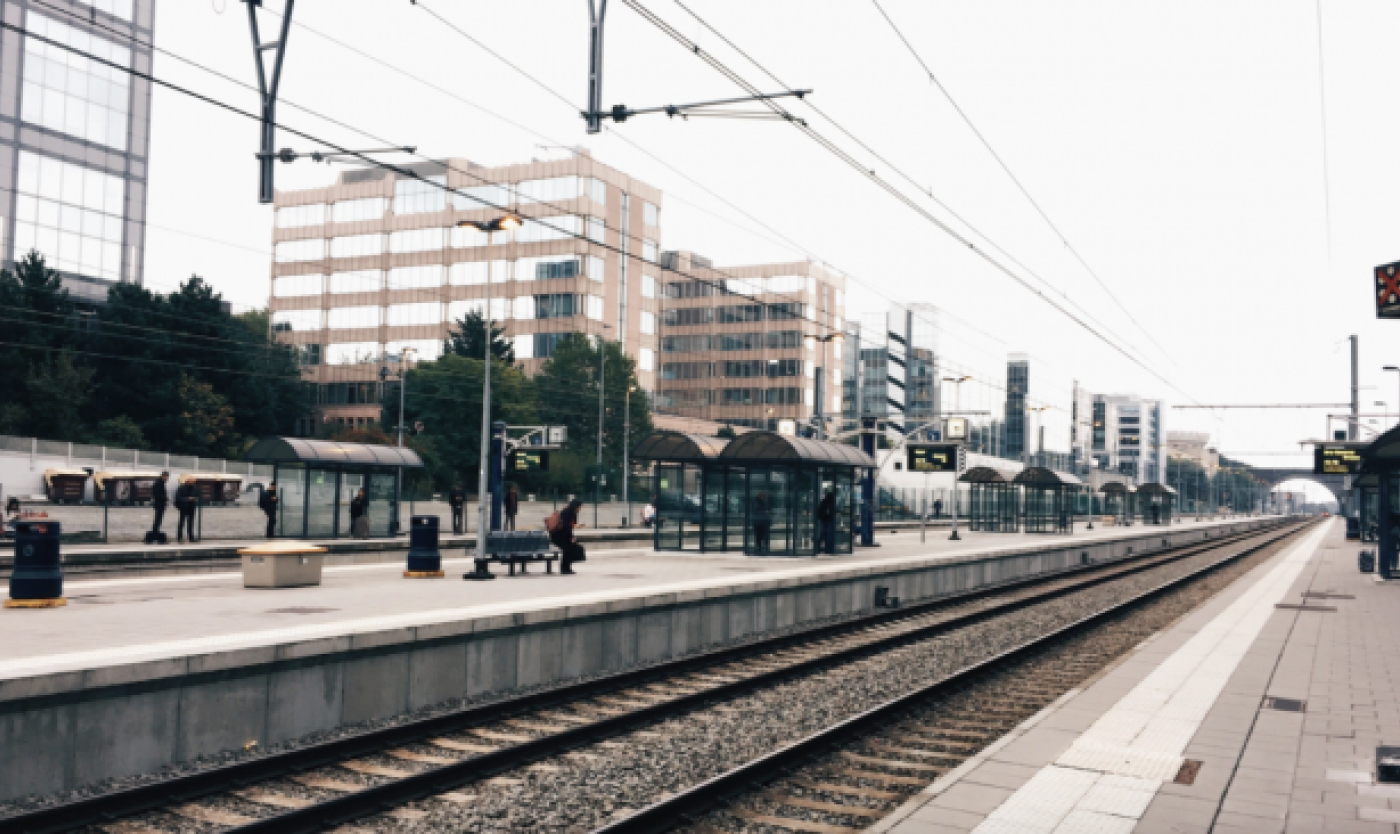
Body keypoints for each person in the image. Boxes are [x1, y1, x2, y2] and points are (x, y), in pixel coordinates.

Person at [549, 497, 586, 575]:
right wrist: (575, 526)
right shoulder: (566, 512)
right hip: (557, 535)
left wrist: (572, 537)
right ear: (576, 506)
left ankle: (567, 568)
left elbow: (571, 526)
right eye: (580, 506)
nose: (581, 508)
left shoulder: (574, 514)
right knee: (567, 549)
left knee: (574, 548)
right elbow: (565, 525)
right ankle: (564, 569)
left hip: (565, 535)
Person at [174, 477, 198, 544]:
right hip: (183, 507)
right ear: (187, 481)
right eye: (192, 482)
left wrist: (195, 499)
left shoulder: (195, 488)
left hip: (192, 507)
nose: (193, 483)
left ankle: (191, 537)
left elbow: (197, 496)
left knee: (191, 522)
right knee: (182, 522)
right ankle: (179, 537)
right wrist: (187, 499)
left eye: (194, 482)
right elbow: (178, 497)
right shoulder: (181, 488)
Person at [151, 472, 170, 540]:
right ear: (163, 476)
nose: (167, 478)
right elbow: (156, 495)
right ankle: (154, 534)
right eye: (166, 477)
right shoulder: (159, 483)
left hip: (160, 504)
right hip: (159, 504)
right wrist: (165, 498)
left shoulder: (161, 483)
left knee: (158, 520)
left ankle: (155, 533)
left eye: (167, 477)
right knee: (157, 520)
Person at [817, 490, 837, 554]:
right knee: (828, 534)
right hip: (828, 520)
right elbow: (830, 512)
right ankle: (828, 548)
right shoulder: (829, 503)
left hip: (824, 520)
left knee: (824, 534)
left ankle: (820, 547)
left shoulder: (823, 502)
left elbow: (820, 512)